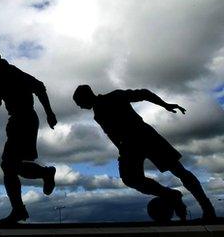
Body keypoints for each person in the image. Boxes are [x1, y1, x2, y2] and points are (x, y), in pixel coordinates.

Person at [72, 85, 216, 221]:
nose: (79, 107)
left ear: (86, 97)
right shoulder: (97, 114)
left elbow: (144, 93)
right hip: (129, 146)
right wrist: (121, 148)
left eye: (79, 103)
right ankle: (171, 195)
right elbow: (112, 134)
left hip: (145, 136)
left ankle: (207, 208)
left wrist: (165, 104)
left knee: (179, 171)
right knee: (131, 179)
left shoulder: (115, 96)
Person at [0, 48, 58, 224]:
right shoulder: (8, 73)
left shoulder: (4, 75)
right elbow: (38, 88)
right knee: (10, 167)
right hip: (22, 120)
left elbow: (38, 87)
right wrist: (49, 113)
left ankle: (20, 210)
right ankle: (44, 175)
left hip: (23, 121)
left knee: (8, 166)